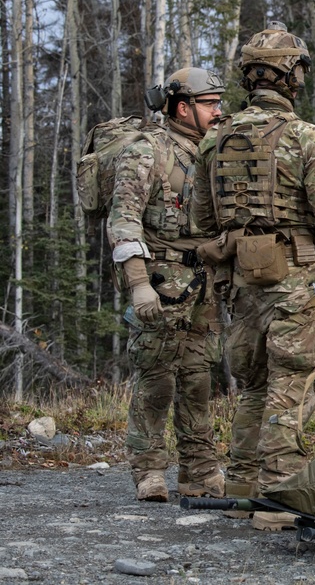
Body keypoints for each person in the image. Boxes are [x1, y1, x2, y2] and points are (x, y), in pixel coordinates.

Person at [191, 21, 315, 530]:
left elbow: (202, 220)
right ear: (291, 76)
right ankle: (280, 494)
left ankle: (240, 482)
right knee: (289, 383)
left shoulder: (214, 141)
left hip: (241, 279)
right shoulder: (306, 137)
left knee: (254, 382)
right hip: (297, 279)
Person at [108, 67, 227, 503]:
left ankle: (199, 471)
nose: (219, 111)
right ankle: (149, 470)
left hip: (205, 280)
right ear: (182, 107)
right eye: (210, 103)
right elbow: (123, 218)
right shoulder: (147, 150)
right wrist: (138, 282)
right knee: (156, 377)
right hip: (161, 277)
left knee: (198, 377)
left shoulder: (214, 151)